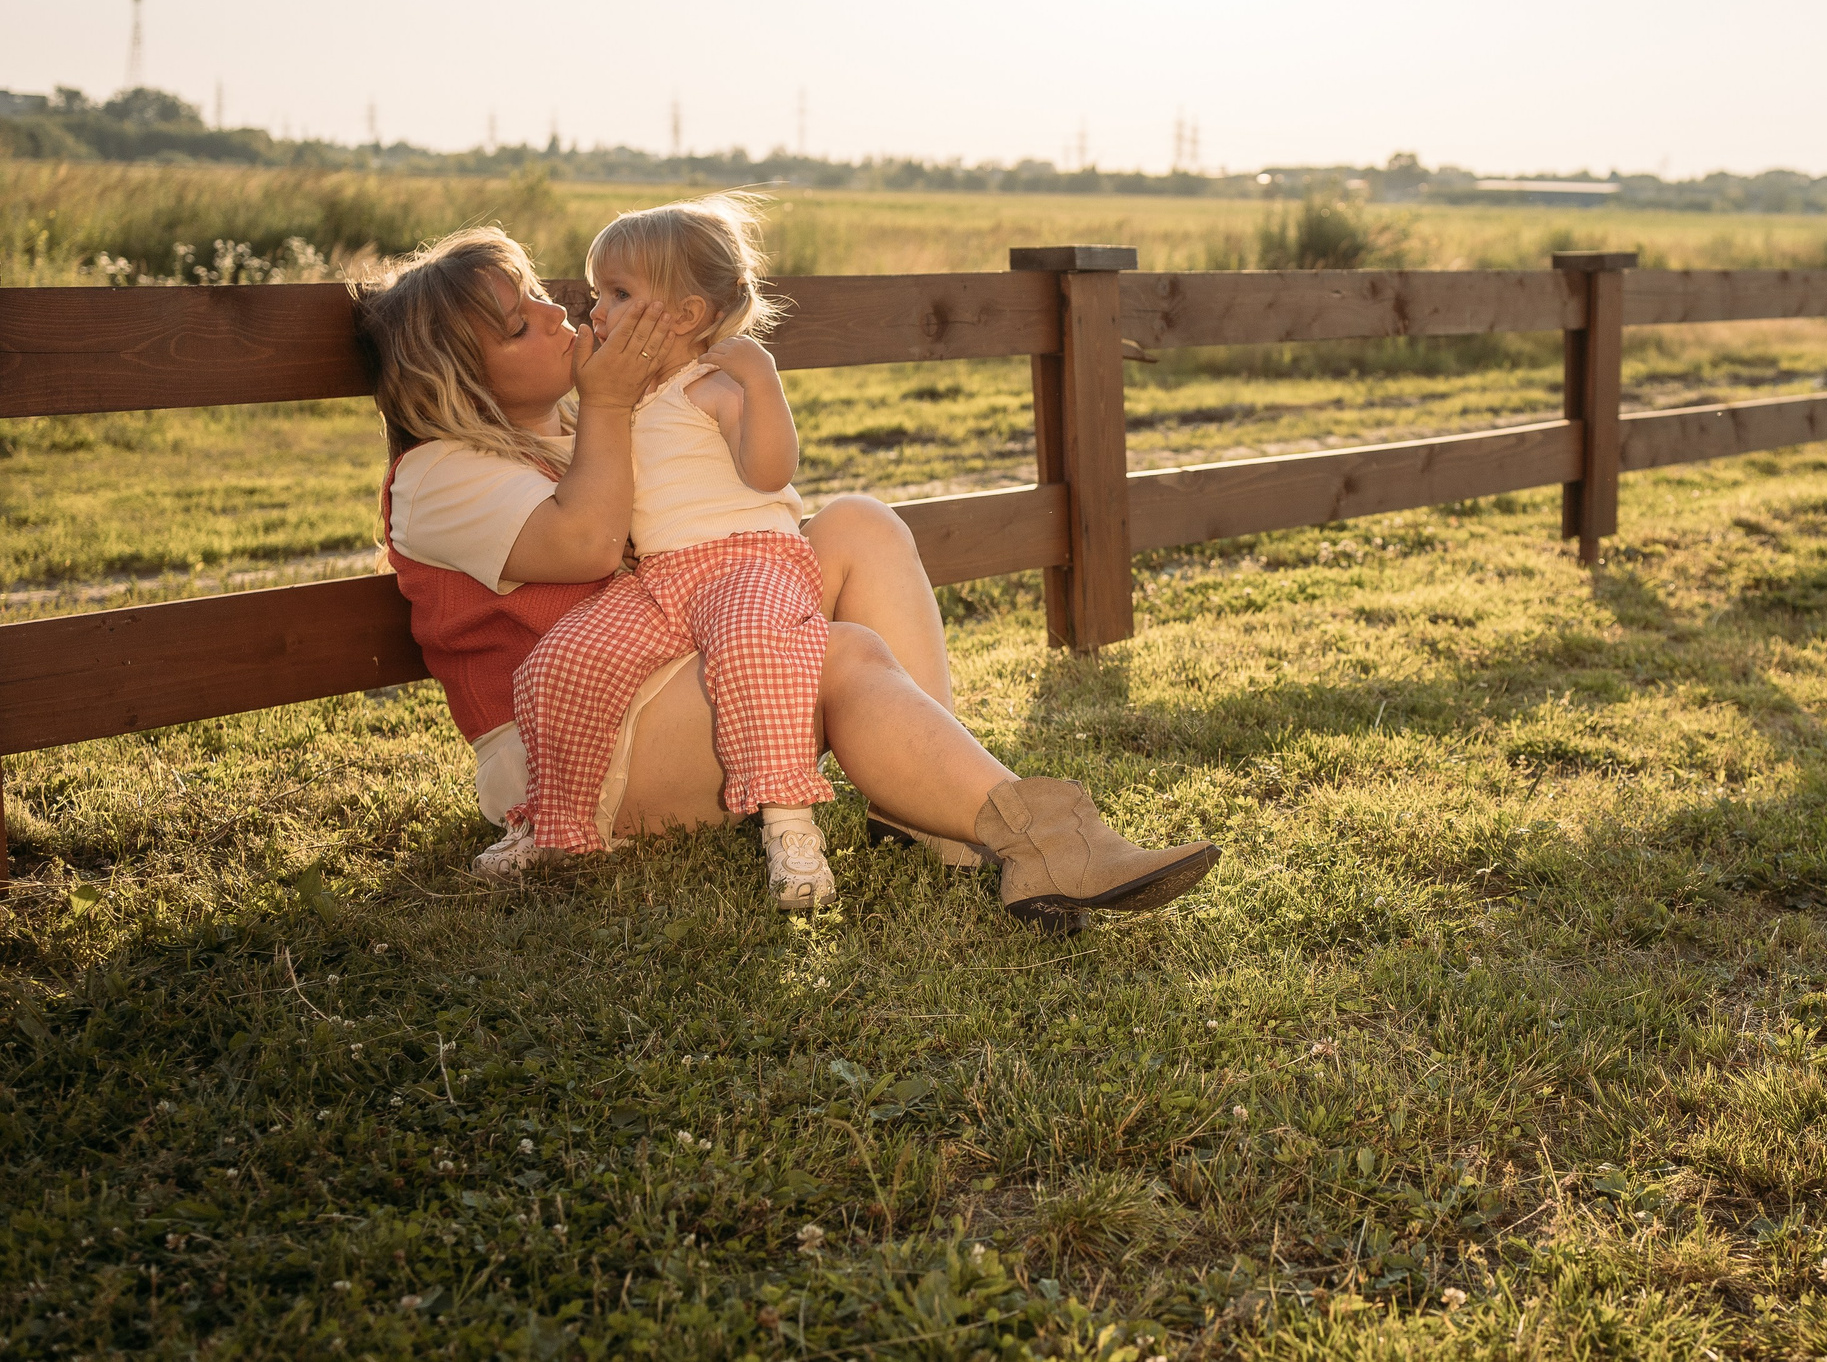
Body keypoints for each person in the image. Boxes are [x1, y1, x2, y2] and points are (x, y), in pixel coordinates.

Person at [349, 219, 1219, 926]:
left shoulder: (581, 425)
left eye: (543, 294)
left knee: (857, 525)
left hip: (669, 682)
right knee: (835, 655)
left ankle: (929, 815)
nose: (560, 314)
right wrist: (611, 402)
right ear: (459, 381)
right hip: (571, 754)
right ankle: (1042, 841)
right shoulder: (442, 475)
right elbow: (582, 545)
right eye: (520, 323)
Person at [500, 196, 838, 902]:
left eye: (617, 294)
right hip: (659, 579)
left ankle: (789, 824)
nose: (596, 310)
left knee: (754, 648)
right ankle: (555, 826)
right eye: (597, 294)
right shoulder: (619, 399)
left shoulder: (710, 386)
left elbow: (771, 472)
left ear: (683, 316)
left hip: (750, 561)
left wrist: (761, 377)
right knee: (558, 662)